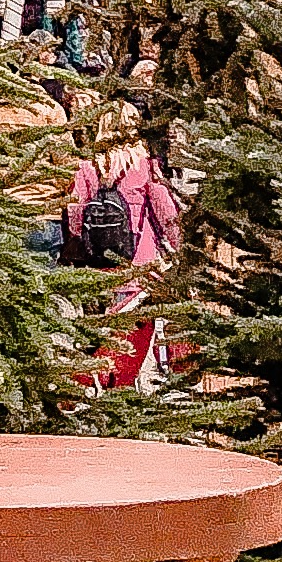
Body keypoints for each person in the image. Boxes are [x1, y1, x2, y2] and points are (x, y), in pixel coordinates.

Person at [60, 119, 183, 390]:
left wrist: (90, 245)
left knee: (101, 330)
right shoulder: (145, 166)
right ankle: (121, 388)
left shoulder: (87, 167)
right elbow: (166, 213)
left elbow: (74, 216)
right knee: (134, 332)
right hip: (141, 264)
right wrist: (178, 247)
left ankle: (95, 384)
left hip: (98, 266)